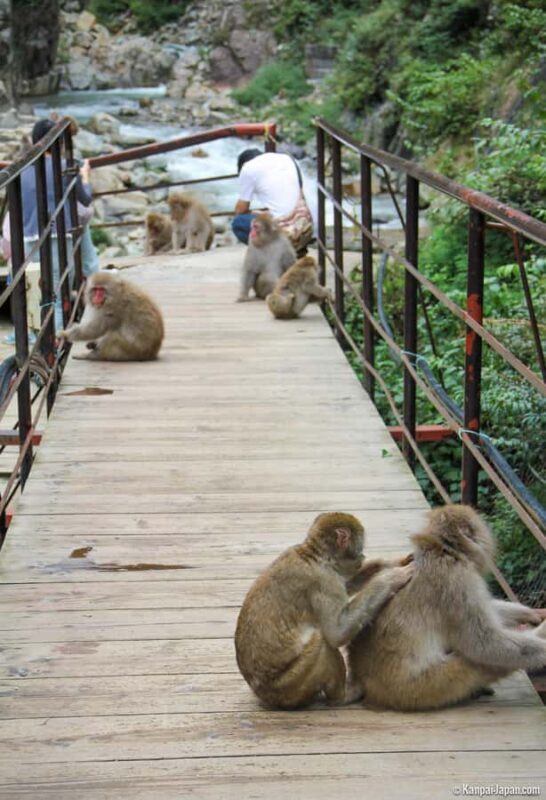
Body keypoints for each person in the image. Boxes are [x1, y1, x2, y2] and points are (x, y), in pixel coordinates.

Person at [17, 119, 99, 331]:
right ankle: (57, 346)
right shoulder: (64, 167)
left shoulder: (22, 168)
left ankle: (40, 343)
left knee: (37, 295)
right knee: (57, 294)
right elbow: (85, 198)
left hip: (28, 239)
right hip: (58, 236)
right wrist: (85, 176)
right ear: (60, 143)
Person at [232, 149, 314, 252]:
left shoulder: (247, 168)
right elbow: (286, 204)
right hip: (306, 227)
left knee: (239, 222)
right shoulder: (286, 158)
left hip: (286, 236)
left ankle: (273, 255)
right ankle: (297, 251)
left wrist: (252, 212)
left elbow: (240, 210)